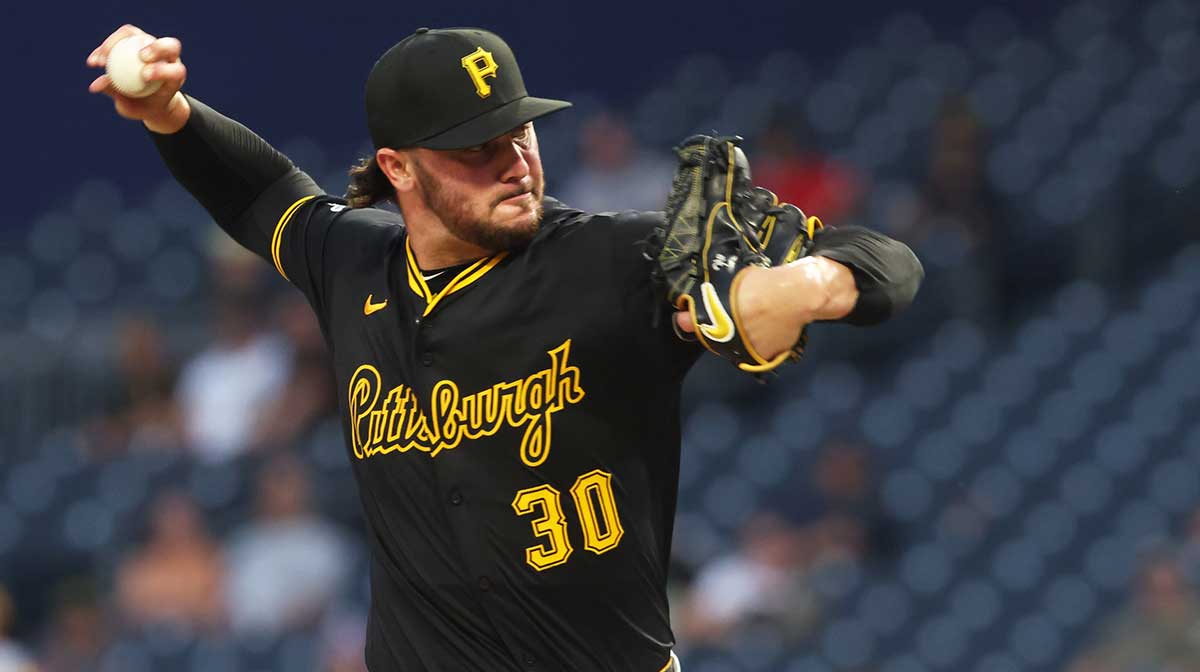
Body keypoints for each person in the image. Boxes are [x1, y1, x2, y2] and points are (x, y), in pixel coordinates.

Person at [87, 23, 922, 671]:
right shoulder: (353, 263)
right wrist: (169, 112)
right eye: (475, 148)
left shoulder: (618, 257)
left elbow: (892, 263)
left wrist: (808, 287)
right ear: (399, 168)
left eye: (520, 132)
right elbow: (266, 195)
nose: (515, 162)